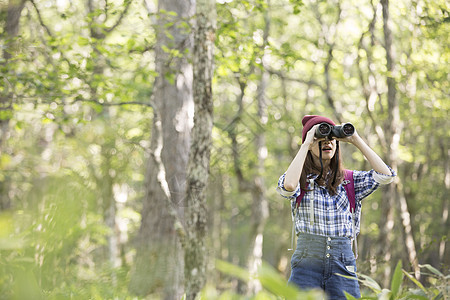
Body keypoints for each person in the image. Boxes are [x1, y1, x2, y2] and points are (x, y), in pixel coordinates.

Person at [277, 115, 396, 299]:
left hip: (343, 262)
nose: (327, 143)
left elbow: (386, 175)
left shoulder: (349, 180)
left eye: (331, 139)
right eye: (320, 139)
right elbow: (289, 187)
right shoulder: (299, 178)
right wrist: (306, 143)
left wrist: (355, 139)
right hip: (307, 260)